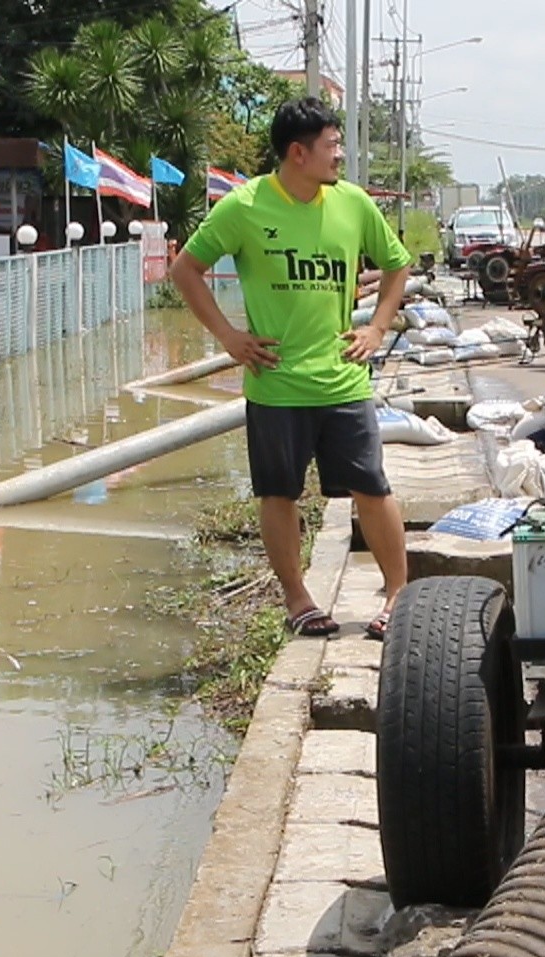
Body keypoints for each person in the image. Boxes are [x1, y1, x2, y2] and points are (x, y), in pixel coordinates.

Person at [168, 98, 413, 640]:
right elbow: (185, 270)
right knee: (278, 492)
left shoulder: (352, 204)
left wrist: (376, 328)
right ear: (297, 153)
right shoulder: (246, 206)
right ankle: (299, 600)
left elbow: (397, 266)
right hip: (276, 383)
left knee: (371, 486)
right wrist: (229, 337)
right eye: (331, 145)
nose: (340, 155)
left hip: (343, 378)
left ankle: (397, 593)